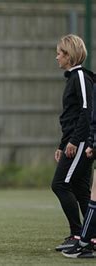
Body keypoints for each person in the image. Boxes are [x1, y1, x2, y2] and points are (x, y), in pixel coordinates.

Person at [52, 34, 94, 252]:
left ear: (70, 56)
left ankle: (78, 233)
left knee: (60, 184)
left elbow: (87, 112)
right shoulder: (72, 78)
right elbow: (70, 117)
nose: (57, 57)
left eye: (60, 53)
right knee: (80, 189)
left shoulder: (80, 78)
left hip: (81, 143)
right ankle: (90, 237)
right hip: (74, 141)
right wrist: (62, 144)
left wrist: (75, 141)